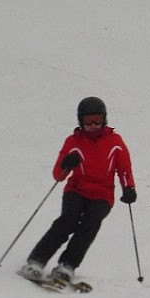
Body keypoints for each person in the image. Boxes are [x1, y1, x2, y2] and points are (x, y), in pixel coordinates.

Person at [19, 97, 137, 284]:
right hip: (76, 190)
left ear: (104, 119)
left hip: (102, 194)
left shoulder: (115, 141)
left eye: (97, 120)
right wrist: (67, 163)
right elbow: (58, 175)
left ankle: (67, 265)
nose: (93, 125)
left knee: (91, 223)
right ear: (80, 121)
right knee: (67, 221)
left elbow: (124, 168)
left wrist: (129, 188)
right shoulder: (73, 142)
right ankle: (36, 261)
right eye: (88, 121)